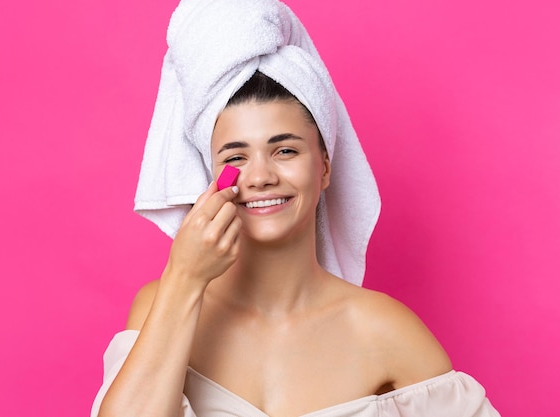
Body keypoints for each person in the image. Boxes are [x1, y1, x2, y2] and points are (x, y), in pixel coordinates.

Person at [91, 1, 500, 416]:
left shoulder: (384, 332)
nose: (259, 176)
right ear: (209, 177)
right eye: (235, 158)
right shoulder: (163, 305)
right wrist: (185, 277)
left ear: (324, 166)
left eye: (285, 150)